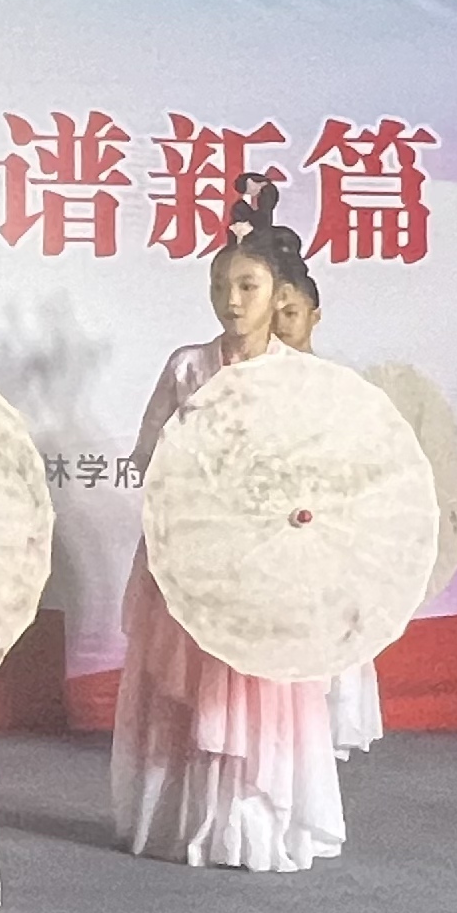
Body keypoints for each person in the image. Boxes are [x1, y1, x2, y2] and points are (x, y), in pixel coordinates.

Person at [109, 174, 341, 873]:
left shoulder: (301, 376)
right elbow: (148, 456)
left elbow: (324, 469)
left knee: (260, 689)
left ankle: (254, 821)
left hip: (266, 559)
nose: (232, 300)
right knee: (185, 690)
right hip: (190, 554)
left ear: (277, 293)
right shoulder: (187, 366)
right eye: (220, 286)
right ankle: (183, 820)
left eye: (247, 286)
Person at [270, 270, 385, 763]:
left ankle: (320, 735)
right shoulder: (251, 380)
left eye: (292, 312)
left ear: (315, 316)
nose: (281, 322)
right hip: (271, 529)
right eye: (274, 312)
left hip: (324, 525)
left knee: (328, 630)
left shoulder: (338, 384)